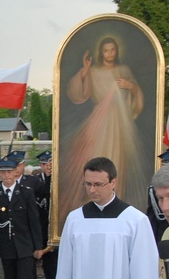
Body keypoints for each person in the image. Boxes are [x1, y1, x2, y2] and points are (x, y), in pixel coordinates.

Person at [62, 37, 148, 217]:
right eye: (106, 50)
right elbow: (78, 93)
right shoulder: (93, 71)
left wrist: (130, 86)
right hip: (99, 122)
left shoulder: (123, 70)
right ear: (101, 52)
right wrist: (85, 71)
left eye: (112, 50)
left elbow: (136, 97)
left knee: (117, 159)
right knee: (96, 156)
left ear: (117, 51)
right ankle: (94, 202)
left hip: (119, 122)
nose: (109, 54)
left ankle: (114, 202)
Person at [33, 150, 57, 279]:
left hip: (57, 225)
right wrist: (48, 177)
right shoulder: (37, 180)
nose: (48, 166)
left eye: (50, 163)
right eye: (44, 164)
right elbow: (41, 192)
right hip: (42, 226)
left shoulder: (61, 179)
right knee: (48, 262)